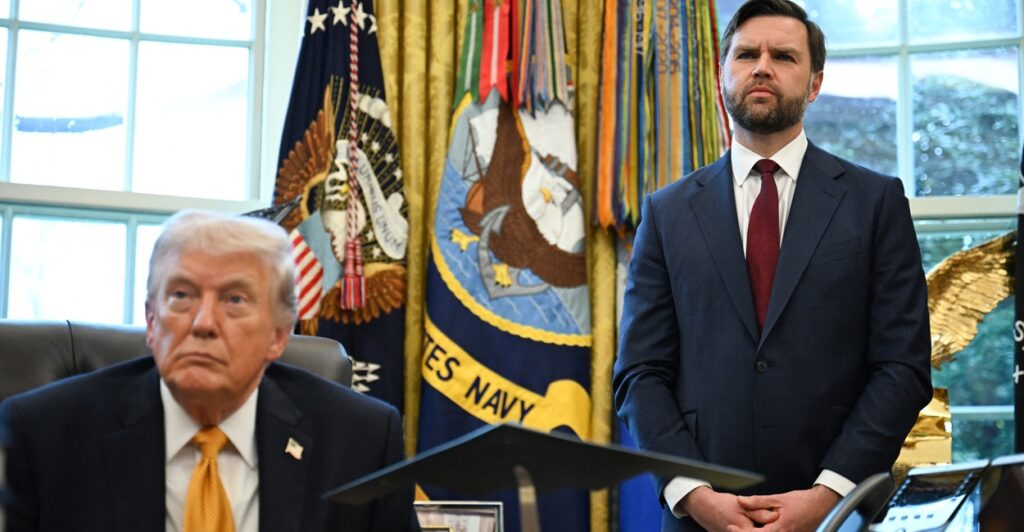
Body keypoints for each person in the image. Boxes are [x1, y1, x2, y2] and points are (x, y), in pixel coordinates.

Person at [612, 0, 932, 530]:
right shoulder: (666, 213)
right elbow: (639, 373)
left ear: (814, 84)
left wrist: (828, 494)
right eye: (746, 55)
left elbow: (901, 367)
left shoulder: (875, 203)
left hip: (834, 515)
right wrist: (695, 494)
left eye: (783, 56)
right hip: (701, 518)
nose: (762, 66)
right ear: (722, 79)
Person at [0, 210, 419, 532]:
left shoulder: (358, 441)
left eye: (235, 300)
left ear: (277, 335)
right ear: (151, 321)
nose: (203, 322)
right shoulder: (48, 435)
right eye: (181, 295)